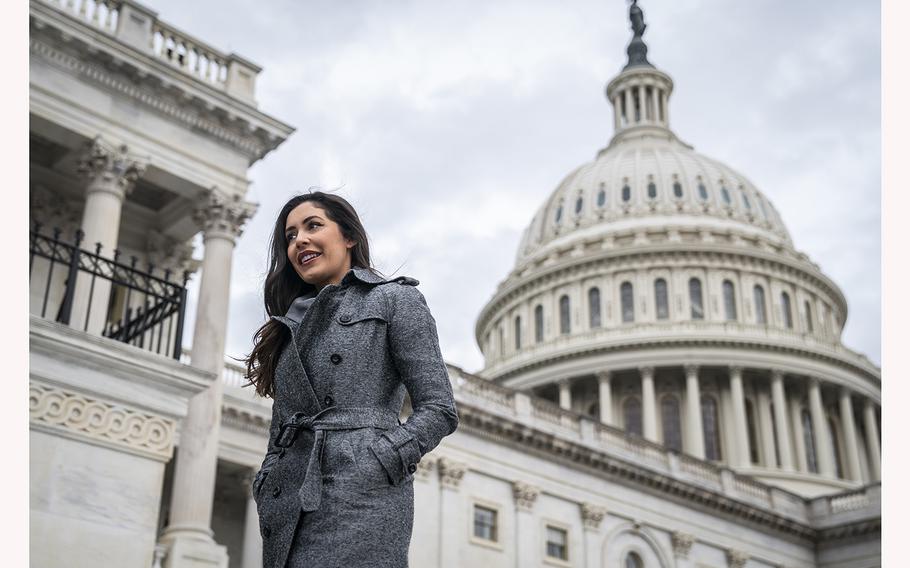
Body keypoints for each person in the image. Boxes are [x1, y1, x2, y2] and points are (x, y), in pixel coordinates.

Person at [242, 191, 459, 568]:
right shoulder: (287, 326)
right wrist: (267, 479)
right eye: (290, 236)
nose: (300, 241)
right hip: (288, 502)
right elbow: (280, 431)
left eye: (313, 226)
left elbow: (440, 409)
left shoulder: (395, 299)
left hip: (362, 496)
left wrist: (379, 458)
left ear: (349, 237)